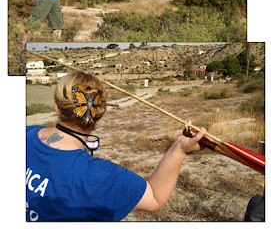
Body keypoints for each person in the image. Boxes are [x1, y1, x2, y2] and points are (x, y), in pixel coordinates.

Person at [26, 70, 206, 222]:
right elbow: (155, 197)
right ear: (99, 114)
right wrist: (180, 148)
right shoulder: (100, 176)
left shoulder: (26, 133)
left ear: (57, 107)